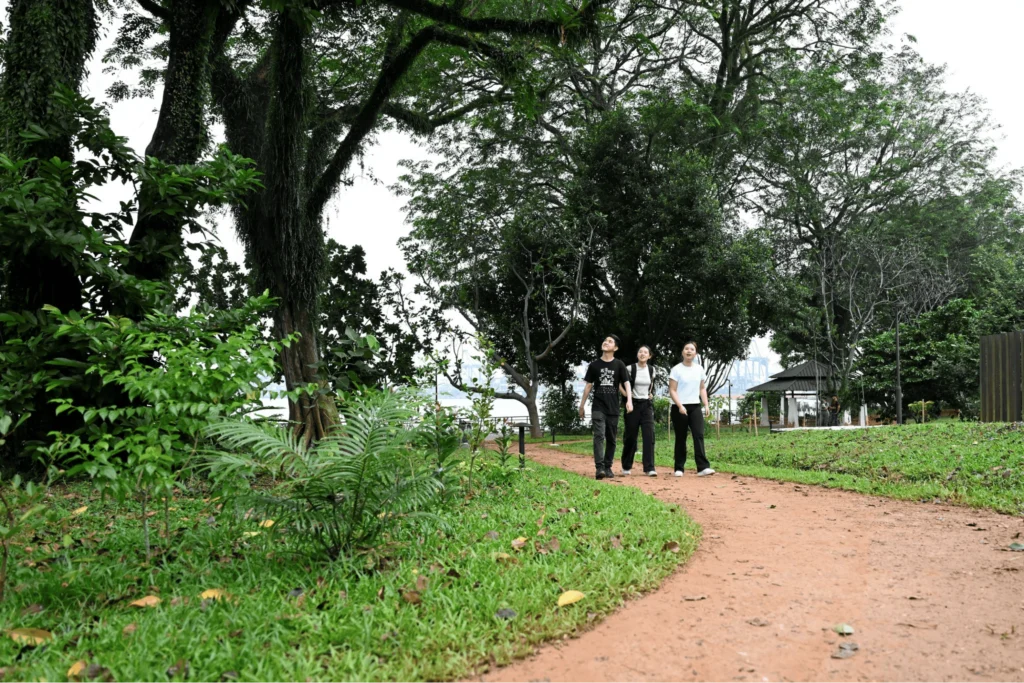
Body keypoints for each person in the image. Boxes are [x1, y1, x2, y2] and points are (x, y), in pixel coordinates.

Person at [579, 335, 632, 480]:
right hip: (598, 406)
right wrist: (582, 405)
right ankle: (599, 468)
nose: (606, 342)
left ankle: (608, 466)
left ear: (615, 348)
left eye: (610, 342)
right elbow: (588, 386)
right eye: (605, 340)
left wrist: (629, 401)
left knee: (611, 438)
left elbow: (626, 383)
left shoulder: (619, 365)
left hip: (613, 407)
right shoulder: (594, 365)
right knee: (598, 435)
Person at [668, 341, 714, 477]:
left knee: (698, 435)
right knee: (681, 437)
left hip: (695, 406)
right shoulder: (676, 369)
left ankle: (702, 467)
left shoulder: (699, 369)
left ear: (696, 353)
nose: (689, 351)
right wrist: (680, 406)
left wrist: (706, 404)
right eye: (686, 348)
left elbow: (702, 388)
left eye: (692, 349)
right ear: (682, 352)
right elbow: (672, 390)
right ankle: (679, 468)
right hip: (679, 407)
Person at [620, 345, 658, 476]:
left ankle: (650, 468)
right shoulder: (630, 368)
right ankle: (626, 465)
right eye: (640, 351)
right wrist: (625, 395)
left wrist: (650, 393)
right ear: (637, 354)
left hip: (646, 405)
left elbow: (651, 384)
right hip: (633, 405)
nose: (642, 354)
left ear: (649, 356)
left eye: (645, 352)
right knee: (631, 436)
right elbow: (620, 382)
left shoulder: (652, 370)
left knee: (649, 436)